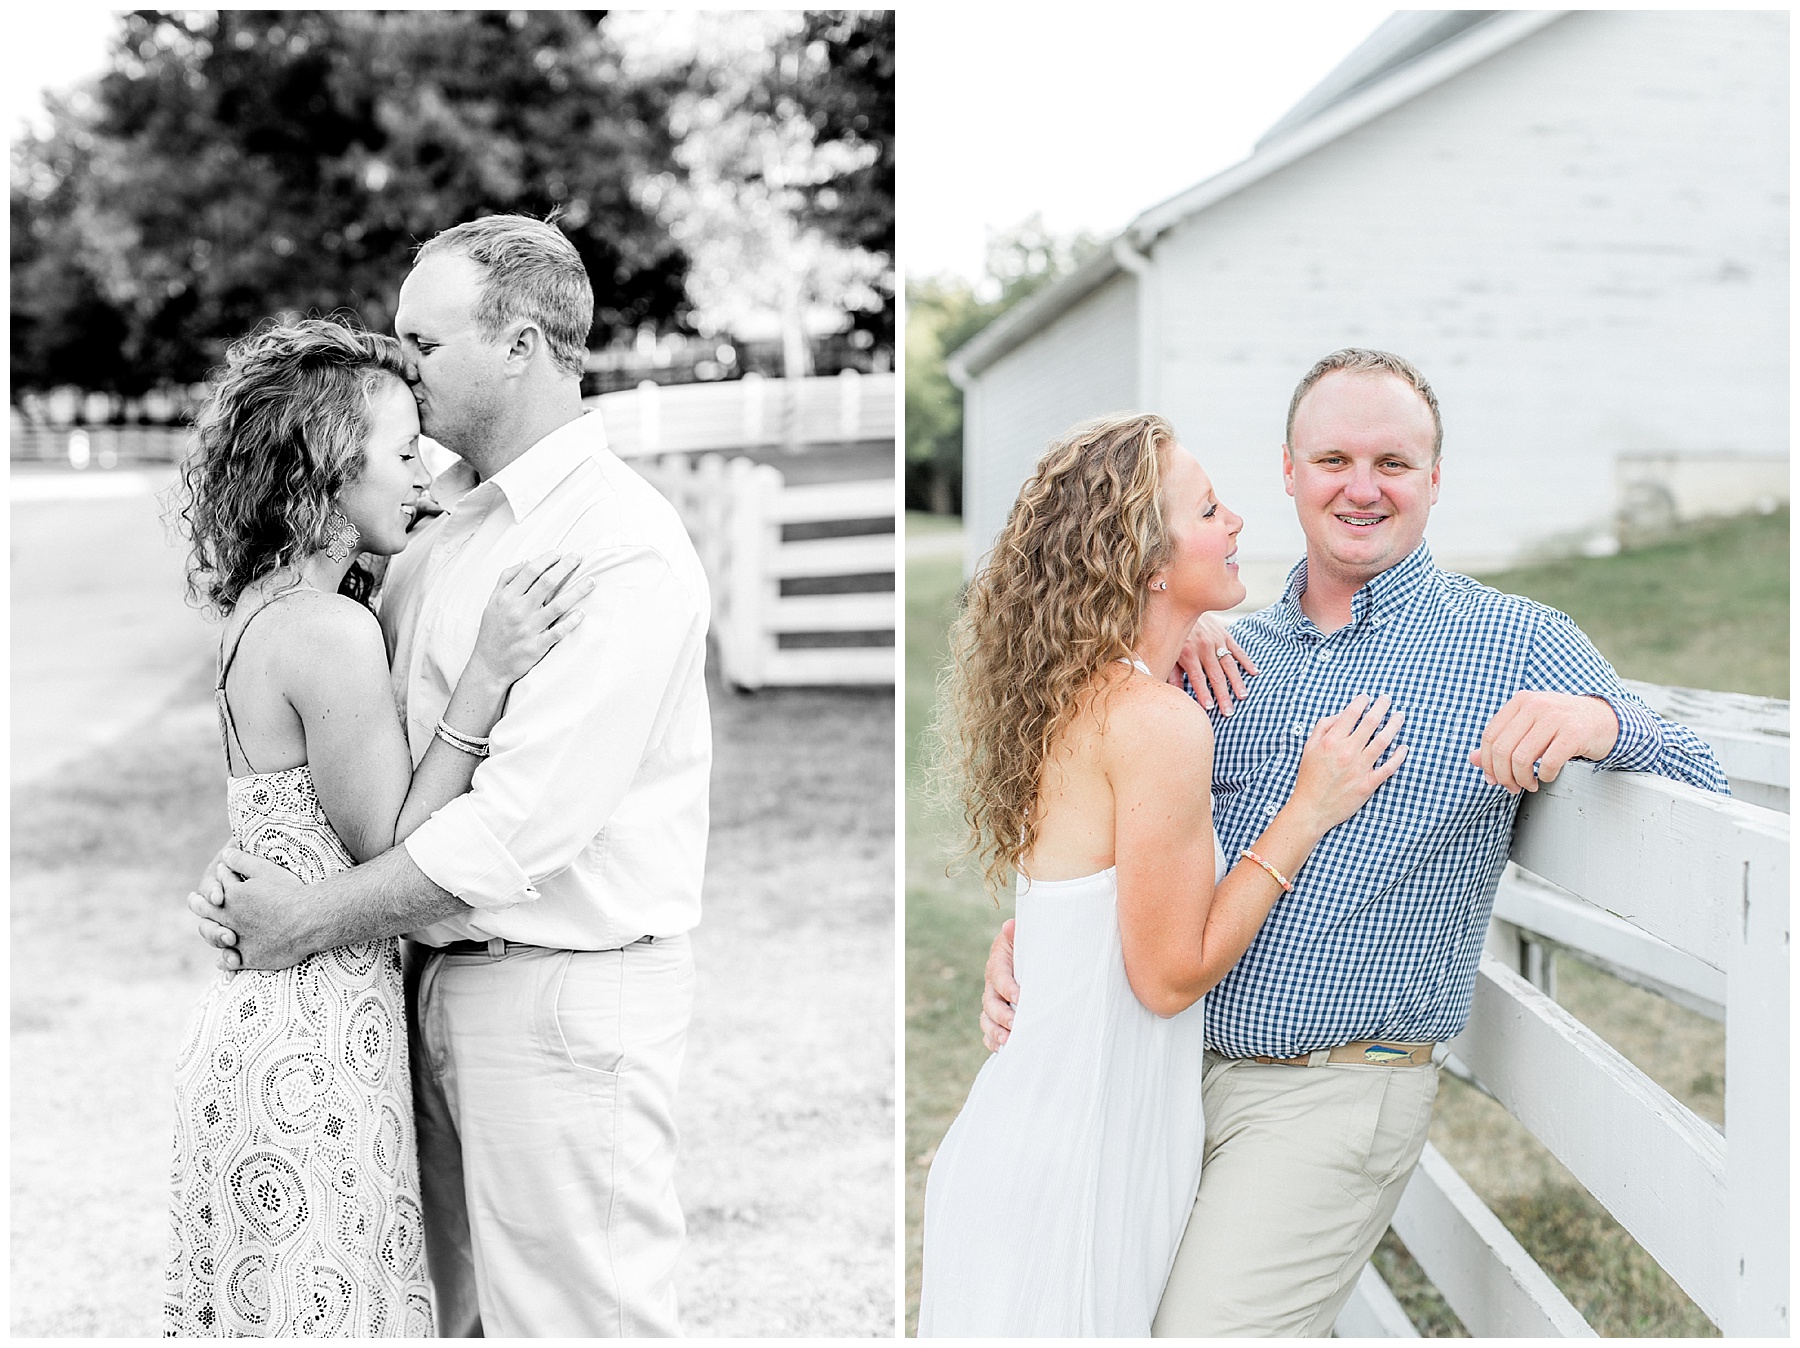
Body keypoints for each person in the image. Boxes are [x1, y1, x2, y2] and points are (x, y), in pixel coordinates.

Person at [980, 349, 1729, 1336]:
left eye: (1394, 462)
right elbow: (1119, 823)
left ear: (1433, 480)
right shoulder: (1222, 652)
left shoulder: (1515, 641)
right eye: (1333, 457)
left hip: (1334, 1093)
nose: (1363, 487)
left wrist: (1601, 722)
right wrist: (1038, 929)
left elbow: (1706, 788)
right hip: (1160, 1076)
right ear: (1288, 470)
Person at [188, 215, 713, 1336]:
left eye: (422, 343)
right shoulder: (432, 529)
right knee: (432, 1316)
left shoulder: (615, 545)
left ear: (520, 345)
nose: (400, 366)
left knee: (580, 1322)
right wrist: (263, 872)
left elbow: (515, 832)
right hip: (409, 982)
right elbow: (344, 767)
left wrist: (300, 918)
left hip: (559, 991)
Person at [917, 413, 1409, 1336]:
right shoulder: (1154, 721)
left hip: (1050, 1137)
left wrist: (1193, 627)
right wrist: (1307, 809)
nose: (1237, 525)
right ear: (1147, 557)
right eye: (1211, 509)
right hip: (1077, 1163)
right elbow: (1169, 974)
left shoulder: (1092, 690)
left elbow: (1081, 913)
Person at [165, 316, 590, 1337]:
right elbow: (394, 838)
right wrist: (484, 676)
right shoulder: (331, 631)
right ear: (323, 470)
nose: (423, 472)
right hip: (315, 1038)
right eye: (402, 454)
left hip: (262, 1027)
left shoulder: (259, 611)